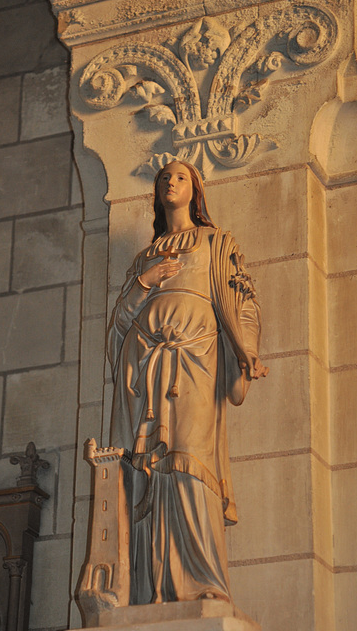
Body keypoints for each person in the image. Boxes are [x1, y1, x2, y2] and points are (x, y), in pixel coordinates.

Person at [108, 161, 268, 605]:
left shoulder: (217, 242)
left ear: (195, 189)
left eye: (179, 176)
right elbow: (118, 328)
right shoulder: (144, 258)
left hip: (197, 363)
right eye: (163, 178)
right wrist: (144, 282)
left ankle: (203, 580)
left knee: (190, 464)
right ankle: (150, 587)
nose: (169, 181)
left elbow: (244, 303)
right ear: (156, 194)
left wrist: (247, 351)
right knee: (152, 469)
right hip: (146, 371)